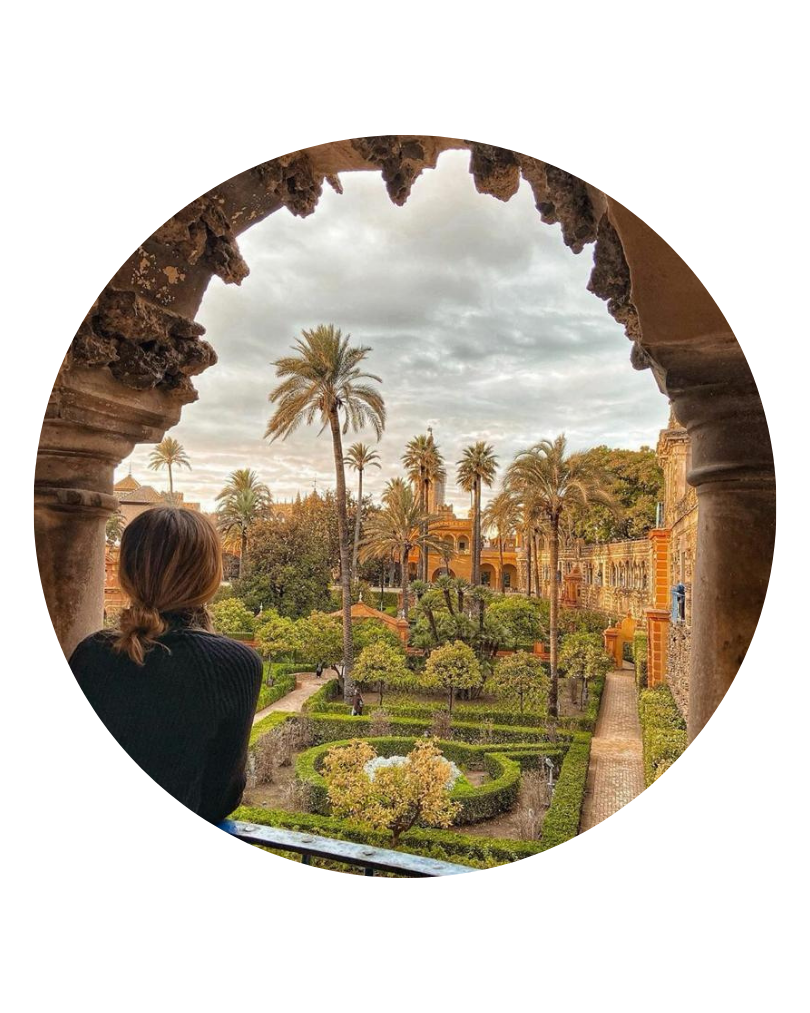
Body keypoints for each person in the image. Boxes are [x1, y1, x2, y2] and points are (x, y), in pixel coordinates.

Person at [69, 506, 263, 825]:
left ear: (127, 573)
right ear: (210, 575)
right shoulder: (237, 664)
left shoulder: (92, 652)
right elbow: (222, 796)